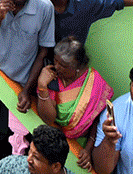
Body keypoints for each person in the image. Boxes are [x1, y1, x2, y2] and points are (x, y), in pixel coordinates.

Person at [34, 37, 112, 171]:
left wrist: (88, 149)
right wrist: (42, 86)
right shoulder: (52, 78)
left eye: (63, 65)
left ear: (77, 66)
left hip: (81, 144)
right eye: (55, 61)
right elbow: (48, 118)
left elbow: (97, 119)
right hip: (54, 140)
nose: (57, 67)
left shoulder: (94, 82)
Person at [0, 125, 69, 174]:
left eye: (36, 157)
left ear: (55, 167)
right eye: (30, 152)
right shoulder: (13, 165)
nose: (28, 159)